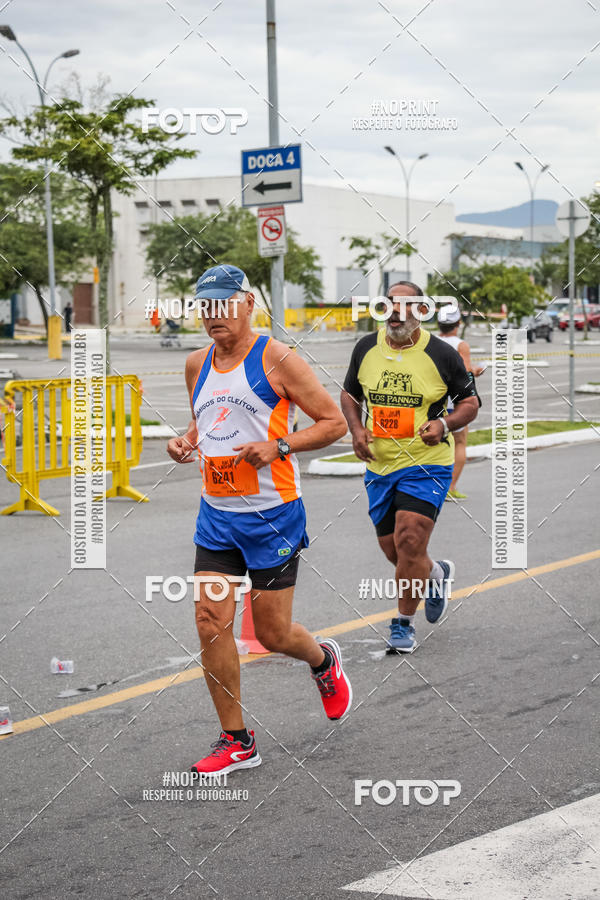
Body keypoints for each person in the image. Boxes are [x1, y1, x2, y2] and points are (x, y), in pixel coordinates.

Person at [167, 264, 352, 776]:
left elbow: (332, 422)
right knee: (209, 620)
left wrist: (280, 446)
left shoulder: (277, 358)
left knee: (272, 634)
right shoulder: (194, 364)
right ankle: (237, 740)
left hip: (273, 514)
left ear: (248, 303)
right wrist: (186, 442)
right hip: (217, 515)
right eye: (206, 306)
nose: (214, 315)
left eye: (225, 303)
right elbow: (208, 421)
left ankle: (322, 660)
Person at [340, 282, 479, 653]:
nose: (397, 312)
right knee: (396, 553)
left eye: (406, 305)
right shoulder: (366, 348)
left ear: (422, 311)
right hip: (380, 464)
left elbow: (470, 402)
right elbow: (350, 394)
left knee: (410, 540)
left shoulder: (440, 353)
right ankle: (435, 574)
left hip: (427, 463)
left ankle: (402, 623)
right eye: (390, 304)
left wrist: (445, 424)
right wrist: (356, 430)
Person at [437, 305, 486, 500]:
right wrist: (476, 370)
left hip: (435, 399)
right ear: (458, 324)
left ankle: (433, 486)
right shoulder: (460, 345)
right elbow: (464, 373)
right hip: (454, 401)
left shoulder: (430, 341)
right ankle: (451, 487)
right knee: (459, 442)